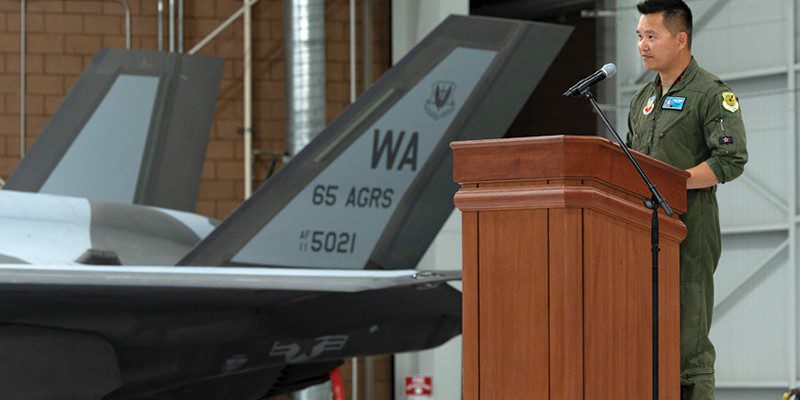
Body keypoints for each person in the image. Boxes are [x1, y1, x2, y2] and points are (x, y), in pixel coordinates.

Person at [626, 1, 748, 399]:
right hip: (642, 229)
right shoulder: (641, 99)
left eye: (651, 36)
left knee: (688, 344)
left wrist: (673, 183)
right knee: (643, 338)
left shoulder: (711, 94)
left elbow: (730, 160)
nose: (643, 45)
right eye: (639, 36)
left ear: (681, 40)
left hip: (690, 229)